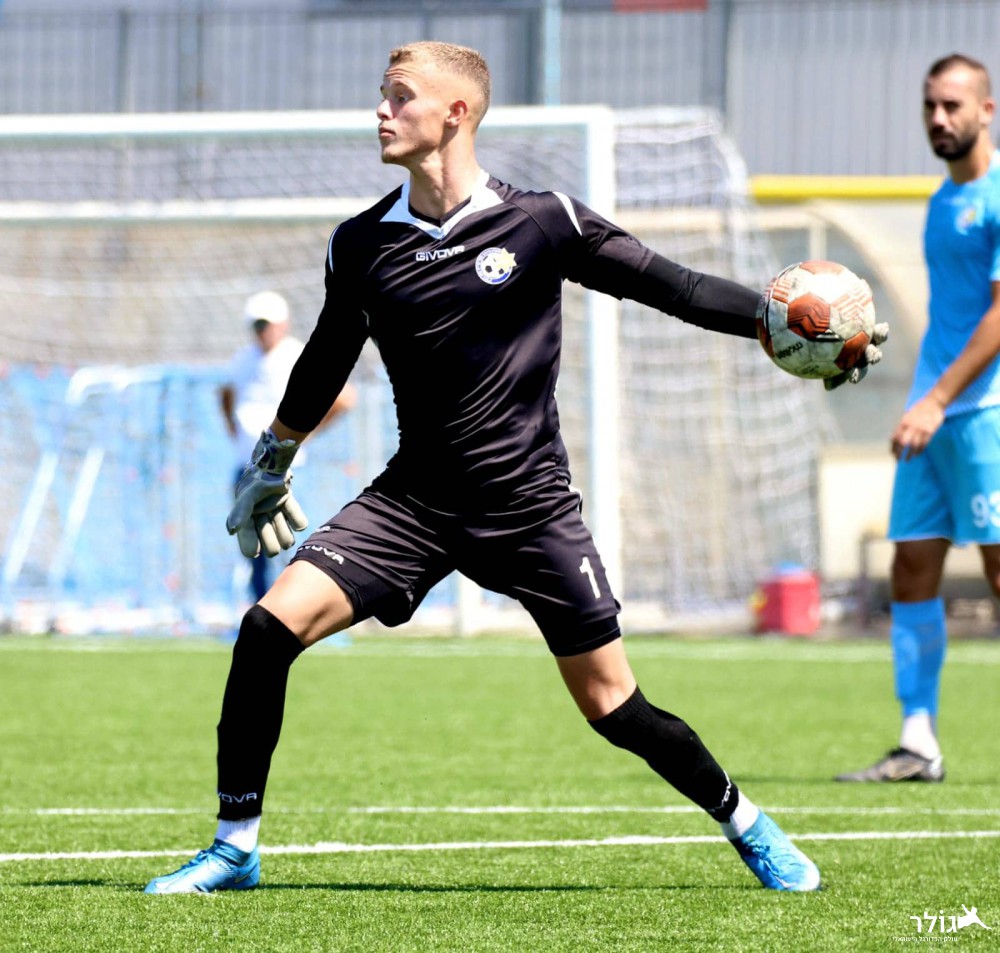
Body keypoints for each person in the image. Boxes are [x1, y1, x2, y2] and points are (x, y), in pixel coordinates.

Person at [145, 40, 883, 895]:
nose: (381, 111)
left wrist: (783, 321)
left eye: (400, 96)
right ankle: (235, 846)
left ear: (455, 113)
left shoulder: (542, 222)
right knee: (266, 630)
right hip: (414, 503)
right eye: (382, 94)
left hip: (531, 508)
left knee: (614, 707)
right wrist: (272, 460)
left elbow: (675, 287)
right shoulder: (361, 244)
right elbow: (324, 359)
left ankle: (746, 821)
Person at [837, 53, 1000, 784]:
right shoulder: (940, 201)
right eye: (930, 105)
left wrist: (938, 400)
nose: (939, 118)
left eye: (953, 105)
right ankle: (917, 742)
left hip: (985, 412)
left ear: (986, 110)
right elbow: (952, 318)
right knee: (910, 566)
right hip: (929, 417)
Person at [219, 290, 356, 602]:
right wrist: (234, 430)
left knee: (294, 547)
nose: (262, 331)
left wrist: (307, 434)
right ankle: (262, 612)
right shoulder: (242, 359)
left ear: (283, 324)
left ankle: (298, 610)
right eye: (257, 325)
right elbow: (225, 395)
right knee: (254, 548)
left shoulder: (297, 355)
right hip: (249, 469)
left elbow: (345, 398)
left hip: (286, 470)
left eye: (266, 324)